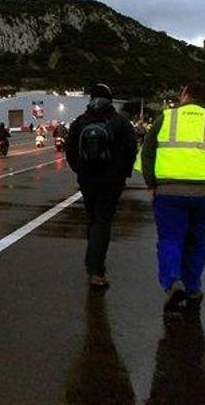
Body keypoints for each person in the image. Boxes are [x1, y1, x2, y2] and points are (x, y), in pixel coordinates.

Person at [140, 82, 205, 312]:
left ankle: (172, 282)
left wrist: (151, 183)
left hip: (169, 192)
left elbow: (147, 151)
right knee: (197, 241)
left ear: (185, 94)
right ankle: (194, 288)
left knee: (170, 238)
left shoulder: (166, 118)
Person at [66, 83, 138, 288]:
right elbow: (131, 150)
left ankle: (93, 261)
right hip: (111, 181)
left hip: (87, 179)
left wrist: (80, 170)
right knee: (102, 221)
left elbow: (70, 151)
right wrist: (123, 173)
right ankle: (96, 270)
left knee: (92, 219)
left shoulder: (80, 122)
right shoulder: (120, 122)